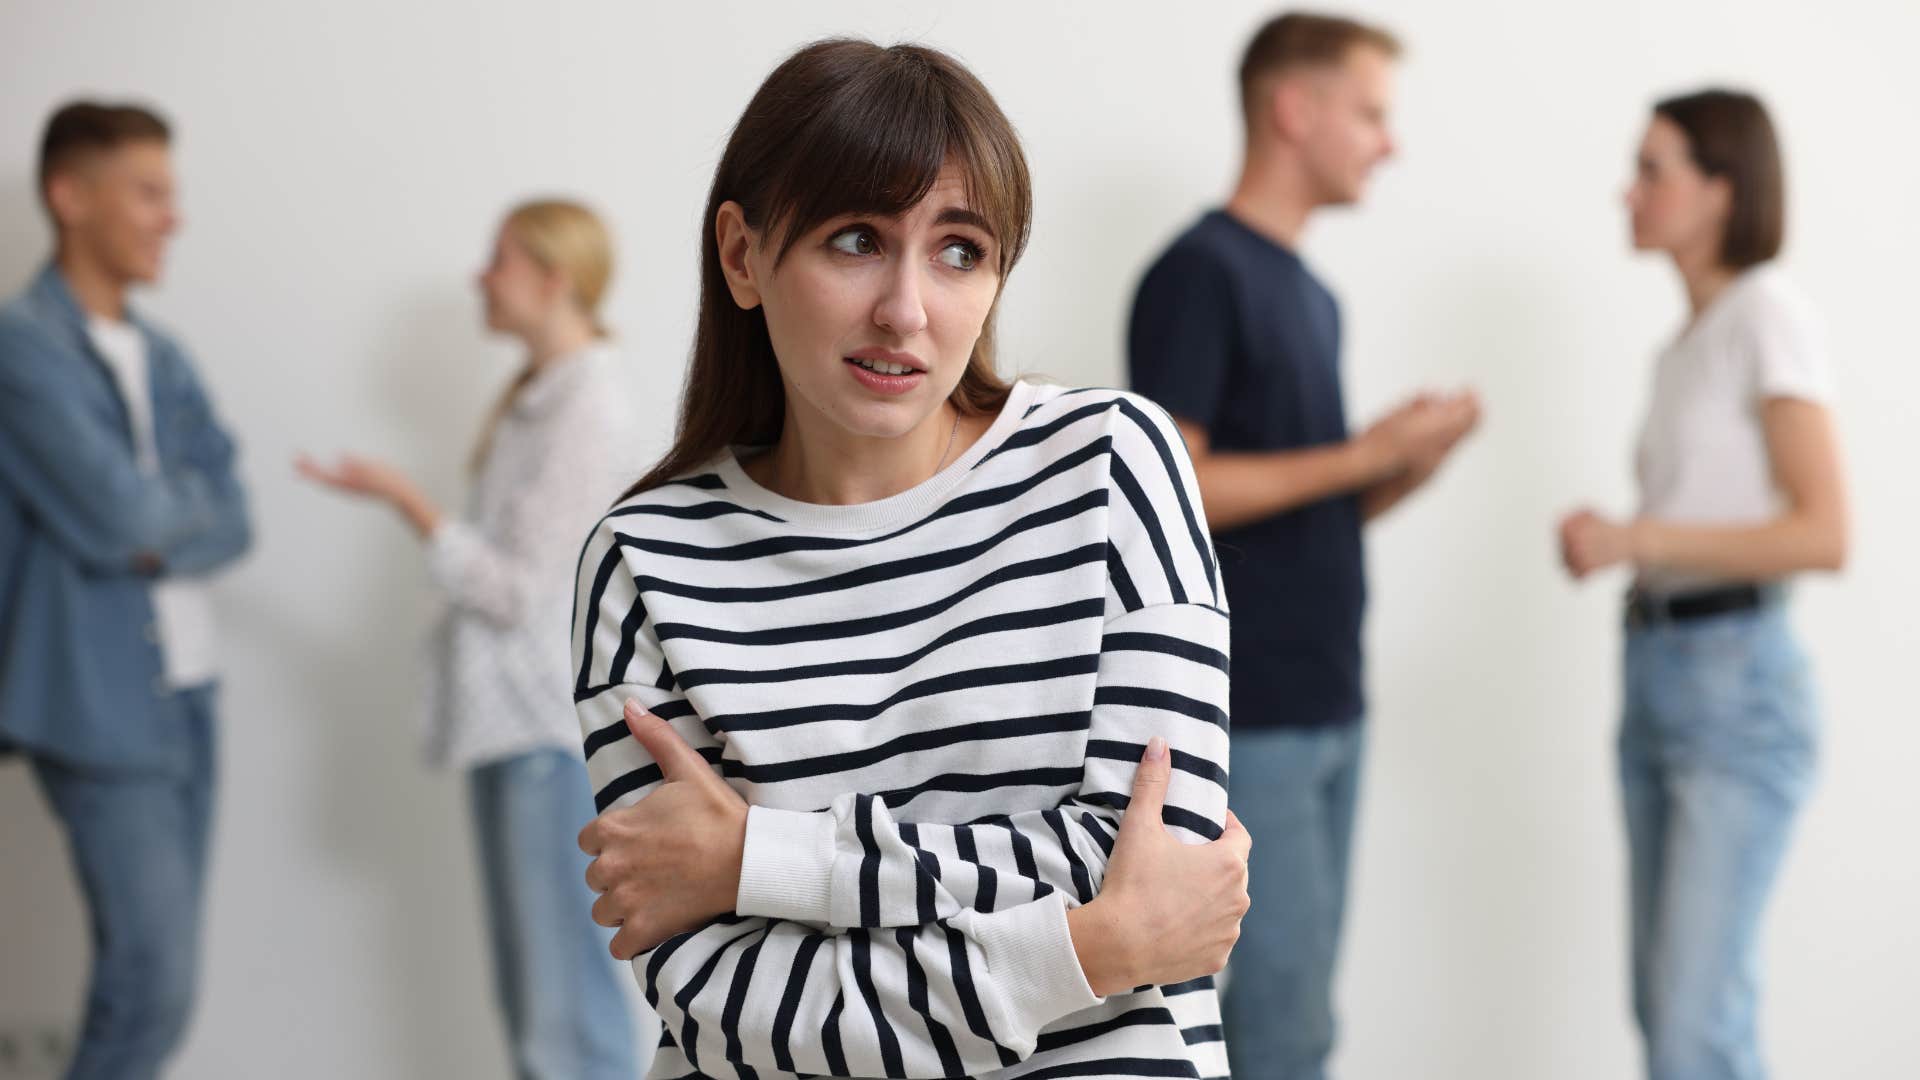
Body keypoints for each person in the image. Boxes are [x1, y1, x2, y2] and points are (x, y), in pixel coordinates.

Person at [571, 38, 1251, 1080]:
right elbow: (722, 1007)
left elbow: (1147, 861)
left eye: (959, 251)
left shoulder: (1112, 465)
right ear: (743, 256)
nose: (907, 309)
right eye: (854, 241)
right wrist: (1086, 951)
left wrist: (759, 859)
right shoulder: (645, 562)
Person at [1125, 13, 1479, 1077]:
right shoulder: (1199, 272)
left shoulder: (1314, 296)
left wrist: (1399, 466)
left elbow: (1297, 509)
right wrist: (1363, 451)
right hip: (1252, 712)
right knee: (1282, 1026)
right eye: (1371, 112)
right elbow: (1174, 489)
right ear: (1295, 109)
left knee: (1303, 1015)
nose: (1389, 142)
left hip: (1331, 704)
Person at [298, 200, 639, 1079]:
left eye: (499, 260)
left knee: (562, 1018)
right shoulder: (538, 397)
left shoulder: (587, 402)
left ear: (553, 277)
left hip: (543, 738)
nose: (480, 277)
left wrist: (410, 504)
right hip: (509, 735)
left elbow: (520, 594)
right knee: (535, 1008)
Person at [1558, 89, 1847, 1080]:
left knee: (1695, 1026)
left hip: (1734, 691)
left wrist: (1634, 534)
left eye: (1653, 170)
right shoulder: (1683, 345)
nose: (1628, 191)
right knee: (1669, 1012)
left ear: (1722, 190)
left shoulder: (1767, 313)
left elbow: (1824, 532)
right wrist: (1625, 547)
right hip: (1657, 669)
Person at [0, 101, 252, 1080]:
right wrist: (157, 518)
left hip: (190, 692)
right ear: (70, 196)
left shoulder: (163, 353)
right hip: (97, 700)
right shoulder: (23, 347)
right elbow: (117, 519)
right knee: (153, 980)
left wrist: (158, 518)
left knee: (158, 982)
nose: (171, 217)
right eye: (148, 192)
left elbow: (234, 513)